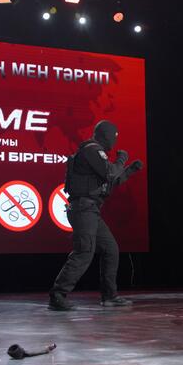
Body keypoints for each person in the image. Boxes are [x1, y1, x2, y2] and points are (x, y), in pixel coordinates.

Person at [48, 120, 144, 311]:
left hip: (90, 210)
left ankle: (109, 296)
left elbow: (110, 184)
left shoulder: (95, 155)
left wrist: (130, 170)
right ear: (106, 136)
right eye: (113, 137)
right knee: (84, 251)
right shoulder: (91, 150)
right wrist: (121, 159)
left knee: (110, 249)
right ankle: (57, 295)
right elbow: (110, 173)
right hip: (83, 209)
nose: (114, 142)